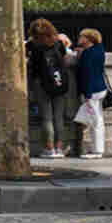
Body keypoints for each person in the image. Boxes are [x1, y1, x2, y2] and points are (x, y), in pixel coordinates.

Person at [25, 18, 70, 158]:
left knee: (47, 117)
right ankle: (59, 148)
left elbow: (28, 60)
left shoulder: (32, 45)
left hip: (41, 82)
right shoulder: (58, 44)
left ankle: (49, 148)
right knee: (59, 117)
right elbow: (65, 58)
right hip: (59, 82)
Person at [72, 28, 107, 159]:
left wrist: (87, 93)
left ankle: (97, 151)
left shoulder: (88, 53)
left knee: (95, 122)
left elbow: (87, 74)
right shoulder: (99, 50)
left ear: (88, 39)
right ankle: (98, 149)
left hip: (92, 90)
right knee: (98, 120)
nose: (79, 38)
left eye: (82, 36)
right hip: (100, 88)